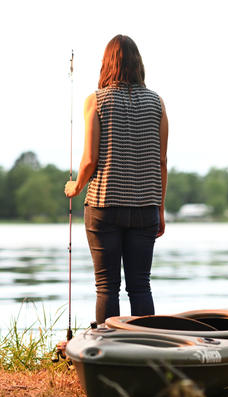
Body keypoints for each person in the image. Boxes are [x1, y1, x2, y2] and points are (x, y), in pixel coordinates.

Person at [65, 34, 168, 325]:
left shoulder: (95, 101)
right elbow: (161, 162)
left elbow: (89, 160)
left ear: (106, 65)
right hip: (146, 208)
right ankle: (150, 351)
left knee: (107, 287)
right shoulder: (157, 103)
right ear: (138, 64)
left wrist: (76, 186)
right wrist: (159, 210)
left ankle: (109, 353)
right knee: (140, 285)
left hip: (103, 206)